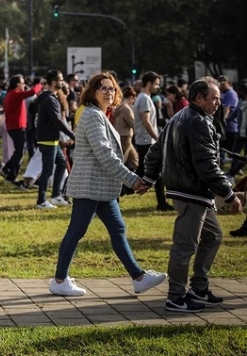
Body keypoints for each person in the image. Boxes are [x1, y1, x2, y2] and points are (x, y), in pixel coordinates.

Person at [50, 73, 166, 297]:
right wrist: (132, 179)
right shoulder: (93, 116)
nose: (108, 92)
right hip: (90, 185)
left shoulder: (101, 115)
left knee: (118, 228)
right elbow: (105, 154)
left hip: (101, 187)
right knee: (76, 231)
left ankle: (138, 277)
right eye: (103, 88)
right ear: (92, 92)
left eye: (111, 89)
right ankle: (60, 280)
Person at [143, 77, 243, 313]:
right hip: (192, 192)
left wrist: (149, 178)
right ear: (199, 98)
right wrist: (230, 195)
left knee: (214, 236)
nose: (218, 102)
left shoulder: (179, 117)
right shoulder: (197, 121)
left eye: (219, 98)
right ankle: (176, 297)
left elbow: (155, 151)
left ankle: (198, 287)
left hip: (193, 192)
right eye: (214, 98)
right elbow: (207, 165)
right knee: (184, 246)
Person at [34, 70, 75, 209]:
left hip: (52, 140)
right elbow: (57, 121)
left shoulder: (50, 98)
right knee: (48, 171)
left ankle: (56, 196)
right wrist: (72, 135)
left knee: (62, 163)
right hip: (48, 140)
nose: (62, 82)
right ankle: (41, 201)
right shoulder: (50, 99)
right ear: (53, 82)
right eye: (60, 79)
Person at [134, 71, 171, 211]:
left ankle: (162, 202)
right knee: (144, 173)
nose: (157, 87)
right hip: (146, 141)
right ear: (149, 84)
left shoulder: (144, 98)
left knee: (153, 172)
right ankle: (117, 193)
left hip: (145, 140)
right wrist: (157, 139)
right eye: (156, 84)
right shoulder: (144, 99)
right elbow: (146, 122)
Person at [0, 75, 42, 189]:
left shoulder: (10, 95)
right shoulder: (15, 95)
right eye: (22, 83)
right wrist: (40, 84)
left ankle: (11, 175)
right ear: (17, 84)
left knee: (19, 151)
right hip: (17, 126)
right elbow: (33, 91)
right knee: (19, 152)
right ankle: (6, 169)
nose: (24, 85)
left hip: (14, 126)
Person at [113, 86, 139, 172]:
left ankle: (142, 177)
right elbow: (132, 123)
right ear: (131, 97)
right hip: (126, 137)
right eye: (133, 99)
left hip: (120, 135)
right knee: (122, 161)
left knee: (134, 158)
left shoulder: (119, 107)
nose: (133, 101)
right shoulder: (127, 109)